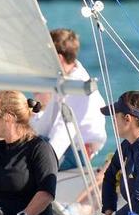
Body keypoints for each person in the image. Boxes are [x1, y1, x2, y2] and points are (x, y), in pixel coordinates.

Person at [32, 28, 107, 164]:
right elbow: (47, 123)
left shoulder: (77, 86)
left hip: (76, 152)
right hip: (64, 146)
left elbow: (64, 131)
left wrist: (43, 164)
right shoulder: (65, 79)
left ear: (59, 59)